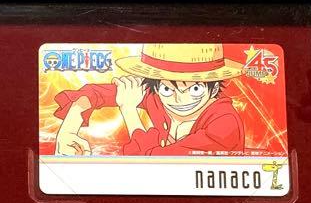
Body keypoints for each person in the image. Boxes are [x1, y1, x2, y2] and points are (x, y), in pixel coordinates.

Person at [53, 43, 245, 156]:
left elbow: (152, 163)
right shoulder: (158, 97)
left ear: (214, 88)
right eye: (168, 88)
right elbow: (94, 93)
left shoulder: (225, 123)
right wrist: (68, 130)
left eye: (195, 89)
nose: (180, 99)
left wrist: (129, 110)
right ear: (157, 86)